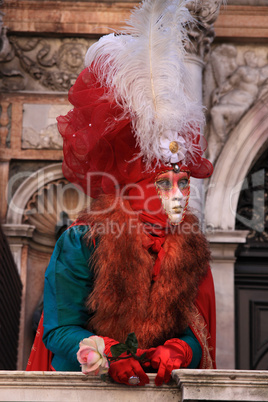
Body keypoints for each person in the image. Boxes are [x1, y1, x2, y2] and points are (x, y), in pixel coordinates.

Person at [26, 0, 216, 386]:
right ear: (136, 188)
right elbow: (60, 328)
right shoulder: (84, 240)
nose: (179, 195)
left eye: (184, 182)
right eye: (164, 183)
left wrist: (181, 349)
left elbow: (197, 331)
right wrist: (107, 353)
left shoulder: (190, 245)